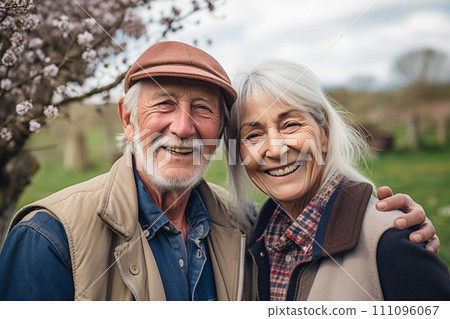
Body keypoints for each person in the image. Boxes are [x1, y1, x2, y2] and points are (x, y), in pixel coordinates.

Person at [0, 42, 440, 301]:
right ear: (129, 119)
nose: (184, 127)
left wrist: (393, 237)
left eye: (203, 110)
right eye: (164, 103)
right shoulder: (50, 239)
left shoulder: (244, 225)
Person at [224, 59, 450, 301]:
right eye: (253, 135)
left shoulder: (392, 242)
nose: (276, 150)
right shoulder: (251, 241)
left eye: (290, 125)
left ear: (325, 133)